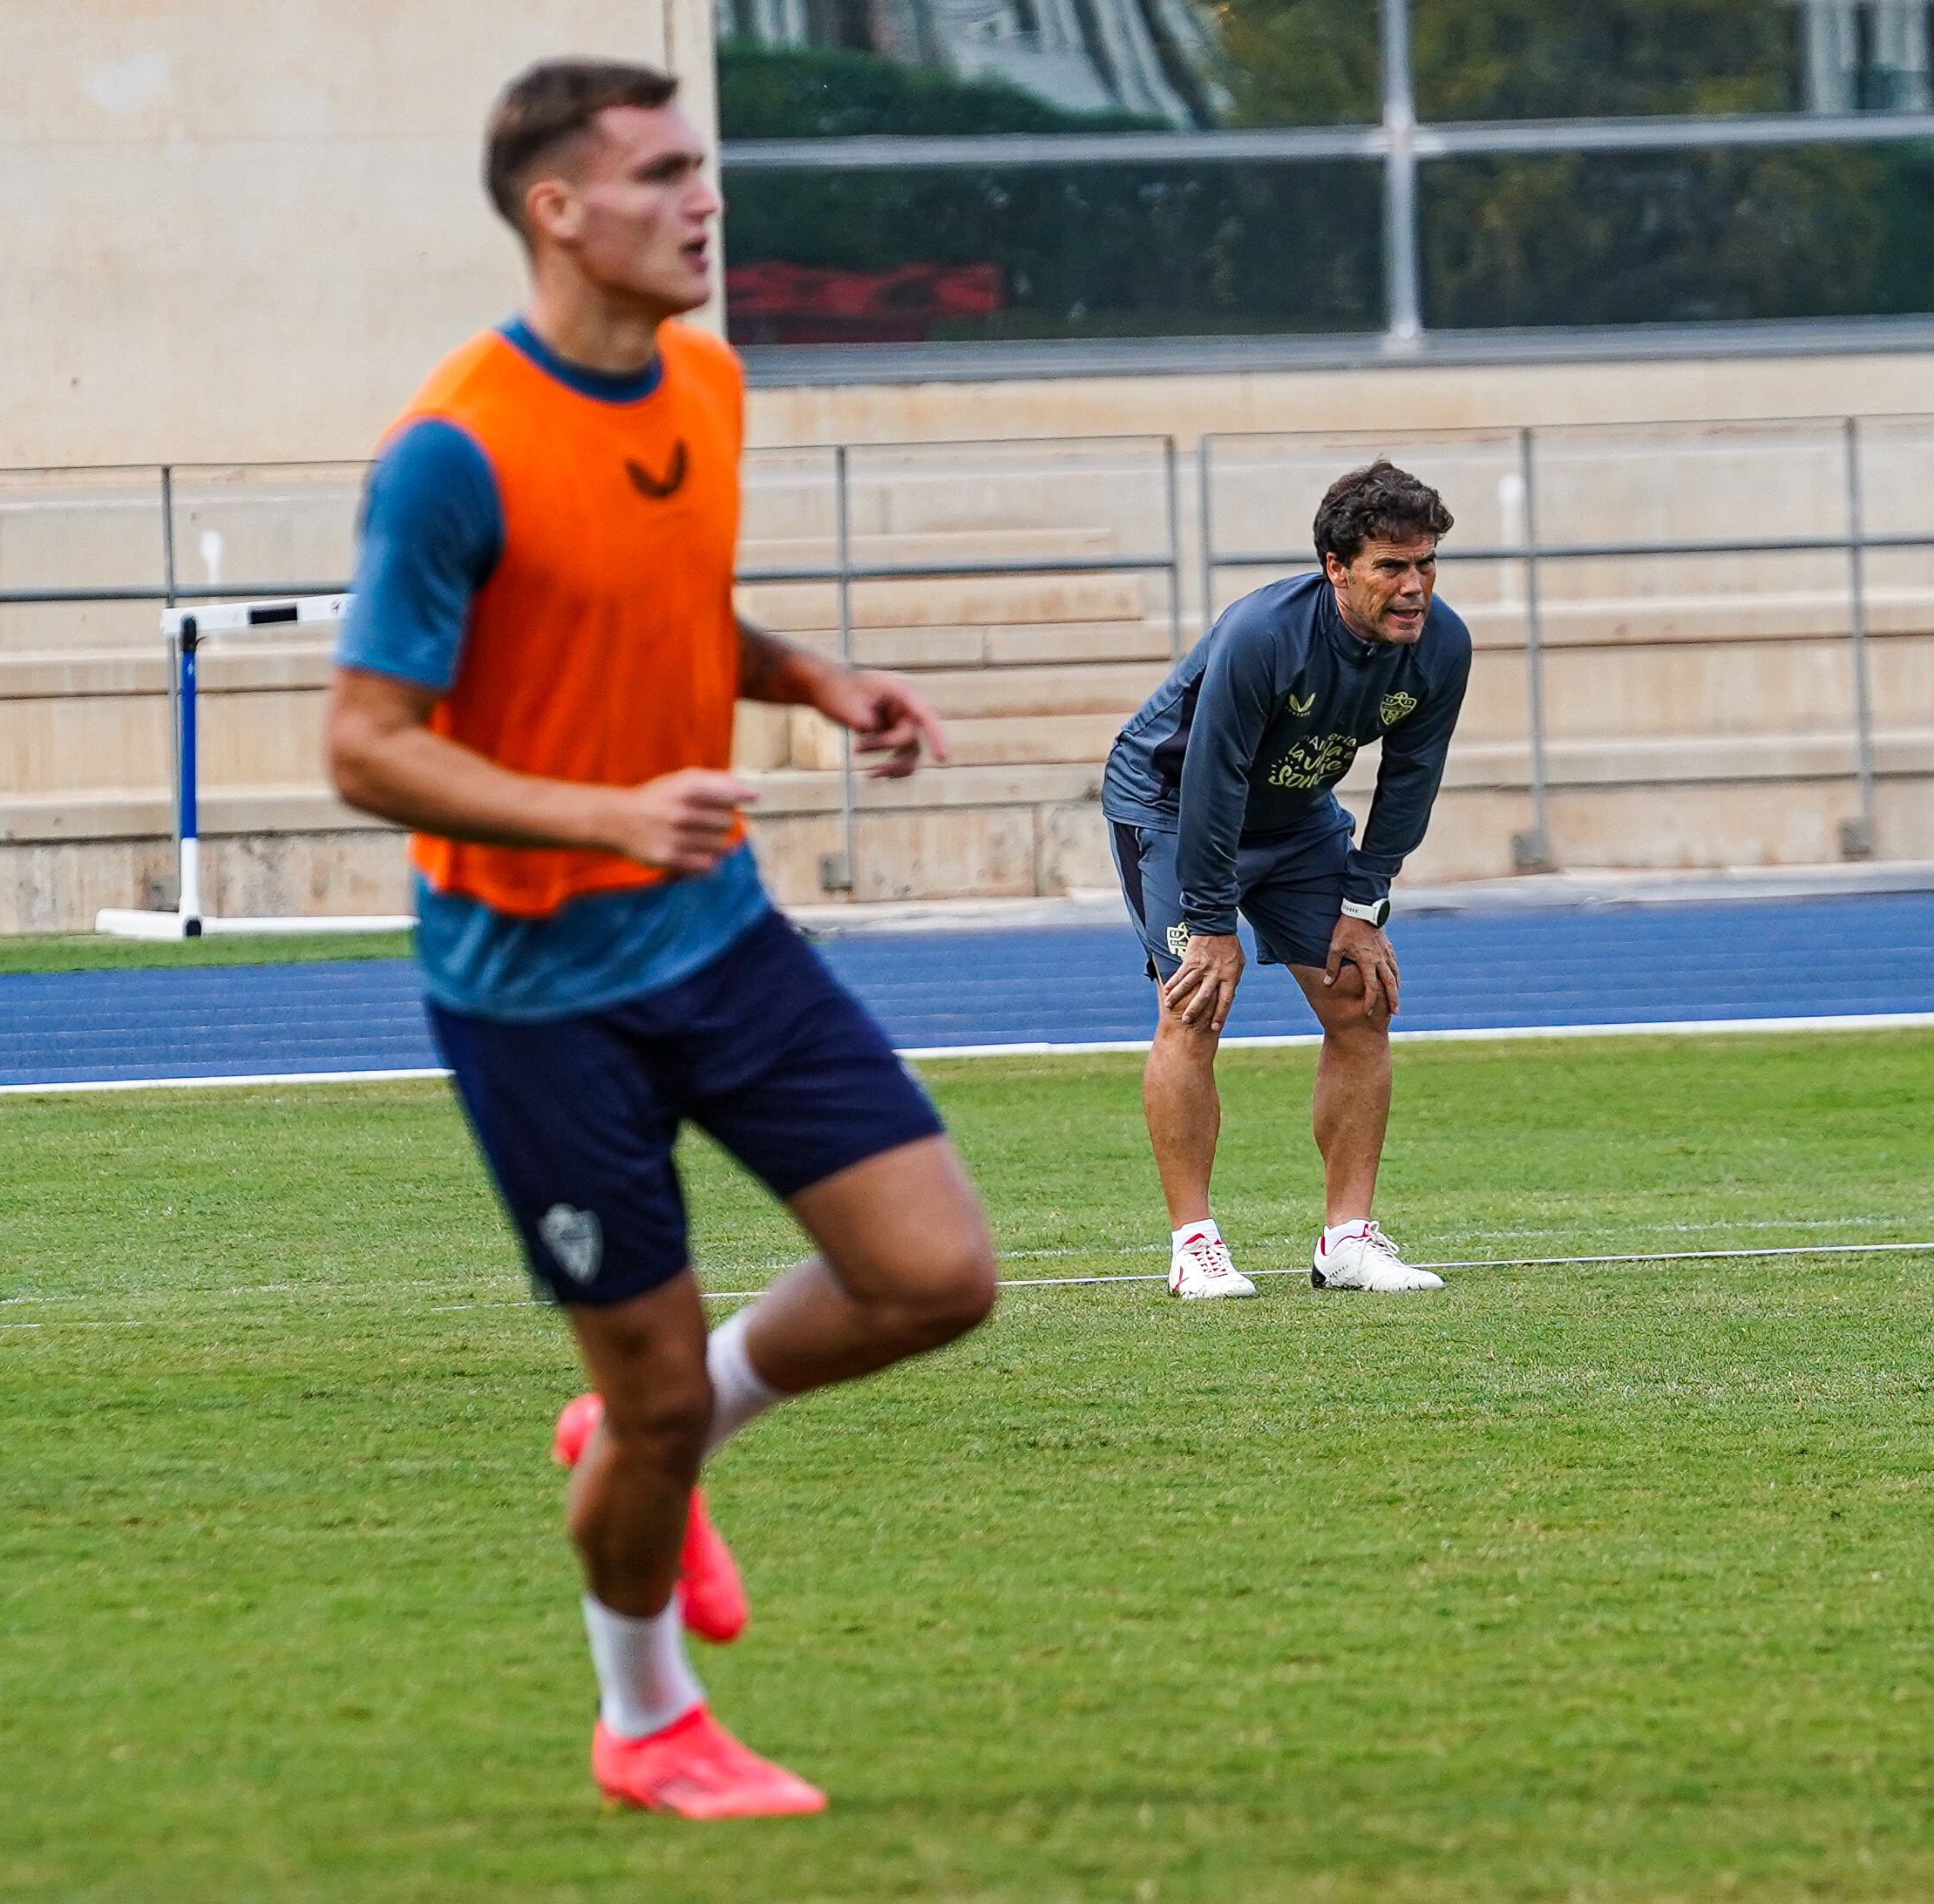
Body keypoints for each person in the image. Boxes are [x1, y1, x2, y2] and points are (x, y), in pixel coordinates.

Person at [322, 58, 997, 1819]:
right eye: (661, 174)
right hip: (533, 991)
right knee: (646, 1408)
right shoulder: (449, 453)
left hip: (715, 936)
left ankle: (667, 1420)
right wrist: (606, 814)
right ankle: (646, 1718)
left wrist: (807, 676)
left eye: (703, 170)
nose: (703, 202)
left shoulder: (704, 377)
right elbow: (364, 746)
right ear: (559, 210)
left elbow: (664, 598)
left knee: (936, 1276)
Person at [1102, 462, 1472, 1300]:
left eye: (1426, 565)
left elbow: (1413, 778)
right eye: (1391, 567)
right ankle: (1194, 1246)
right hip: (1169, 803)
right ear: (1337, 569)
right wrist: (1210, 921)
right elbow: (1211, 778)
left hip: (1297, 812)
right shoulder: (1263, 634)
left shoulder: (1442, 645)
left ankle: (1346, 1240)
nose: (1415, 588)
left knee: (1360, 996)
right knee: (1194, 1003)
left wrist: (1363, 906)